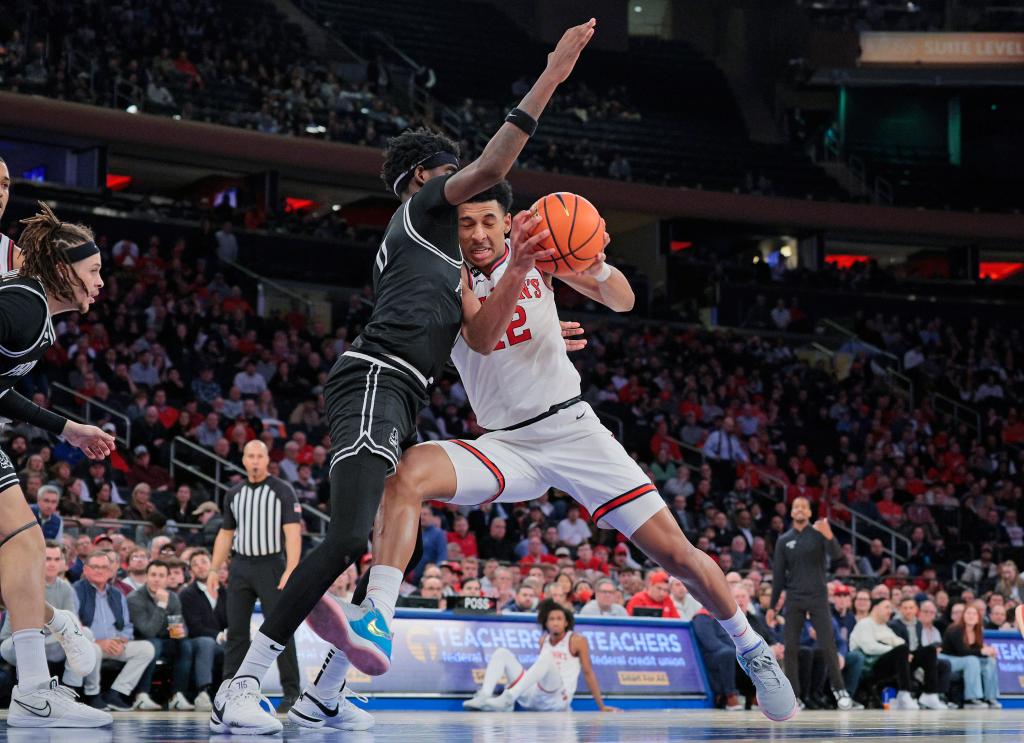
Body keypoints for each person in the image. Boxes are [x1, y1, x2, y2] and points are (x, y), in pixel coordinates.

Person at [212, 20, 599, 735]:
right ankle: (244, 682)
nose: (467, 195)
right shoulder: (420, 215)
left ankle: (325, 691)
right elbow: (490, 166)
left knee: (381, 537)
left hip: (401, 393)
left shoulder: (445, 264)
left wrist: (543, 326)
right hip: (372, 381)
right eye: (450, 176)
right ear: (424, 182)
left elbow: (482, 336)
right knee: (351, 533)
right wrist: (552, 74)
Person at [307, 174, 797, 726]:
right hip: (504, 443)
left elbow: (624, 299)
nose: (478, 232)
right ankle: (374, 620)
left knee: (678, 555)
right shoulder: (448, 276)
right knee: (406, 475)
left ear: (509, 222)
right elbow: (483, 337)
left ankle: (751, 647)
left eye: (489, 220)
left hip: (572, 429)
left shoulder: (538, 254)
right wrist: (520, 273)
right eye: (466, 223)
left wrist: (595, 263)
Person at [0, 202, 114, 727]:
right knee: (25, 547)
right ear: (65, 270)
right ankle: (38, 675)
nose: (101, 283)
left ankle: (35, 683)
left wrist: (67, 428)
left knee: (22, 550)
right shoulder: (21, 306)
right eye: (93, 271)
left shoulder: (36, 316)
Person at [210, 440, 302, 714]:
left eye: (259, 456)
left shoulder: (282, 490)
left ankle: (292, 692)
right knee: (236, 630)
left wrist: (291, 568)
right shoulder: (234, 493)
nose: (255, 461)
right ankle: (229, 689)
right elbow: (226, 534)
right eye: (250, 456)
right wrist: (214, 569)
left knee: (280, 629)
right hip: (240, 565)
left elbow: (293, 533)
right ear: (243, 459)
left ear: (266, 459)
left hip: (272, 565)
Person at [769, 497, 854, 709]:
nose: (799, 510)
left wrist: (829, 534)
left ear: (809, 512)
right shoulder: (783, 540)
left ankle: (839, 689)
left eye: (803, 507)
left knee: (827, 643)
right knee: (791, 647)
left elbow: (837, 556)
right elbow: (778, 575)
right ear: (791, 512)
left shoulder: (818, 534)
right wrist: (772, 606)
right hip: (794, 597)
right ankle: (794, 696)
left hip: (818, 597)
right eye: (795, 506)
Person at [463, 599, 620, 712]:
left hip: (558, 699)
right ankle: (485, 695)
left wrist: (601, 706)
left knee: (546, 658)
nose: (555, 622)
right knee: (501, 653)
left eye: (559, 619)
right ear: (545, 623)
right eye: (551, 619)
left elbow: (588, 672)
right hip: (535, 698)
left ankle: (508, 697)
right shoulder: (543, 640)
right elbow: (538, 673)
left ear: (566, 622)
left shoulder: (577, 640)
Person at [74, 551, 156, 711]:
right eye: (95, 566)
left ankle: (116, 693)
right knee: (95, 649)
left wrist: (121, 640)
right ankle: (92, 695)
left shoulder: (117, 594)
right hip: (87, 644)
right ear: (85, 569)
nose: (100, 570)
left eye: (104, 567)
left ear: (111, 571)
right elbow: (73, 625)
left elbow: (127, 626)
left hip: (114, 644)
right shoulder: (76, 590)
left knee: (146, 649)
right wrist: (97, 641)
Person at [127, 559, 196, 711]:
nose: (156, 579)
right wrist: (161, 605)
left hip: (165, 641)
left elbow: (179, 624)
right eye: (153, 575)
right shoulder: (134, 598)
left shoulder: (173, 597)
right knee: (154, 644)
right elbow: (148, 631)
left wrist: (181, 631)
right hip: (141, 642)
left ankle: (177, 696)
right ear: (146, 577)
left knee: (185, 645)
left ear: (166, 579)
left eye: (161, 575)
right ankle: (141, 695)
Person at [178, 549, 227, 711]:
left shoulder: (226, 592)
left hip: (224, 640)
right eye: (195, 565)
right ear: (191, 571)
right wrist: (219, 635)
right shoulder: (187, 594)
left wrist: (229, 632)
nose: (200, 567)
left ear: (212, 565)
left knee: (242, 644)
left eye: (204, 562)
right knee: (206, 643)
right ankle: (203, 692)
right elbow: (194, 627)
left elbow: (233, 619)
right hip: (196, 640)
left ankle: (238, 692)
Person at [942, 605, 1001, 708]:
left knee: (990, 661)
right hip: (947, 659)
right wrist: (982, 651)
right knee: (972, 661)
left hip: (964, 659)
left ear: (978, 618)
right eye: (968, 613)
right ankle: (972, 699)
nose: (971, 616)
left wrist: (989, 652)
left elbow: (977, 650)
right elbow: (961, 651)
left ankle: (991, 698)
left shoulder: (978, 631)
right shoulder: (955, 629)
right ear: (963, 616)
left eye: (974, 614)